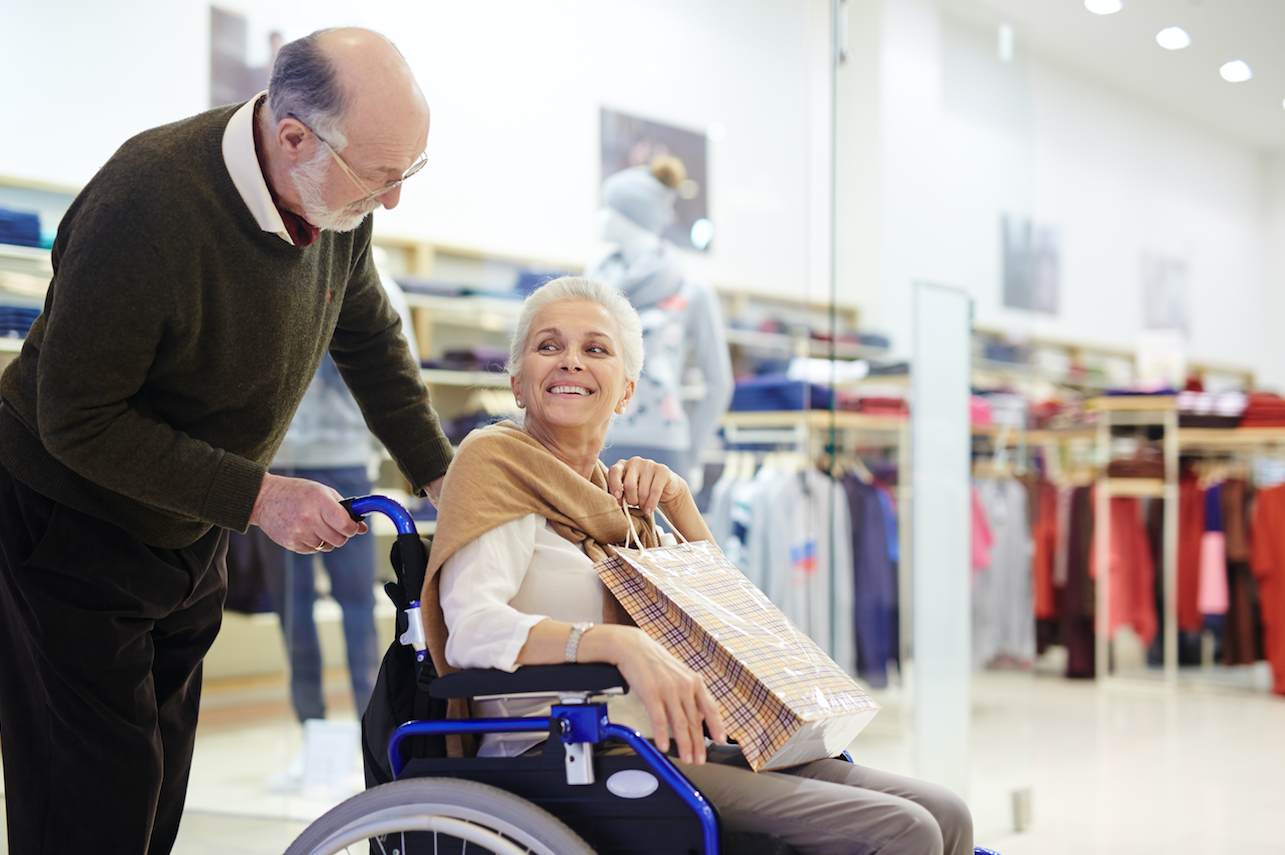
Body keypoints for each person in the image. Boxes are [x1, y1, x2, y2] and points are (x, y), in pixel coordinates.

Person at [0, 28, 451, 855]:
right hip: (68, 516)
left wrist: (441, 477)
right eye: (382, 177)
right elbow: (78, 417)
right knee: (91, 794)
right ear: (292, 136)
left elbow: (371, 338)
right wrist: (259, 494)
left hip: (185, 522)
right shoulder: (147, 204)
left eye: (406, 175)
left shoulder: (333, 198)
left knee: (159, 782)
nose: (390, 203)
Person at [421, 277, 973, 855]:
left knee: (946, 812)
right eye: (549, 346)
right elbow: (470, 629)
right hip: (558, 754)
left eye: (596, 349)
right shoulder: (495, 465)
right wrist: (614, 644)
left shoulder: (618, 503)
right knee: (904, 831)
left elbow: (729, 628)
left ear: (627, 391)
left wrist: (680, 507)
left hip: (656, 740)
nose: (571, 362)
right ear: (516, 383)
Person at [587, 155, 733, 486]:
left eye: (610, 208)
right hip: (597, 441)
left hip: (666, 448)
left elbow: (719, 382)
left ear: (633, 214)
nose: (600, 217)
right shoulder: (593, 284)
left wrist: (693, 454)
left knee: (669, 540)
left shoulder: (693, 292)